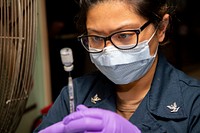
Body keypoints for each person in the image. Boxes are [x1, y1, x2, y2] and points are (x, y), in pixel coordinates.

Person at [34, 0, 200, 132]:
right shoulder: (75, 94)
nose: (109, 51)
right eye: (97, 38)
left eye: (125, 35)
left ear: (161, 29)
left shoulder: (194, 103)